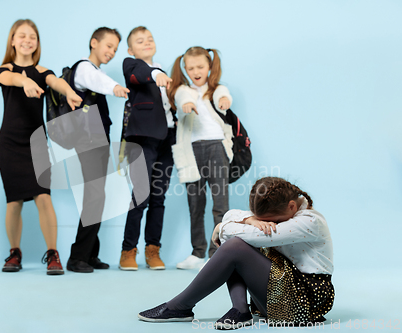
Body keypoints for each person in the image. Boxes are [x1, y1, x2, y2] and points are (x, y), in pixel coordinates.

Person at [138, 177, 334, 329]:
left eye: (273, 221)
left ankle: (179, 306)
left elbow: (258, 236)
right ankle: (240, 310)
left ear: (291, 206)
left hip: (303, 302)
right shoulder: (287, 210)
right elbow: (232, 214)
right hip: (283, 290)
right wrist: (248, 220)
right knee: (237, 241)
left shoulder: (309, 222)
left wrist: (221, 228)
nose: (270, 225)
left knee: (235, 245)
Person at [0, 19, 82, 275]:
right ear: (12, 41)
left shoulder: (42, 72)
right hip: (9, 143)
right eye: (22, 35)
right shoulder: (4, 69)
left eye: (32, 36)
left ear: (37, 43)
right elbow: (8, 78)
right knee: (14, 202)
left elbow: (56, 82)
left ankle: (53, 253)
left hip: (36, 144)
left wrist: (69, 92)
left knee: (43, 197)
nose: (27, 40)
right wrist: (24, 82)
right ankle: (14, 253)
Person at [65, 27, 130, 273]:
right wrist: (115, 88)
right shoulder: (84, 68)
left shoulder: (95, 71)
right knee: (95, 195)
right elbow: (97, 81)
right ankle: (77, 257)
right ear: (94, 42)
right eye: (108, 45)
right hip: (88, 141)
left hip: (97, 140)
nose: (111, 52)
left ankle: (90, 253)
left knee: (96, 196)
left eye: (115, 48)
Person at [168, 47, 234, 270]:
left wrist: (224, 99)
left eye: (200, 67)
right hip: (192, 151)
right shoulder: (182, 90)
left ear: (209, 67)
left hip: (216, 147)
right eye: (191, 68)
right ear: (185, 69)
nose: (196, 71)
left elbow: (222, 95)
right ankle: (197, 253)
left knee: (220, 205)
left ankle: (218, 254)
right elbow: (182, 97)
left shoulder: (216, 89)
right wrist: (187, 103)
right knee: (195, 204)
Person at [118, 26, 176, 271]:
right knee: (140, 195)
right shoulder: (133, 66)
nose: (147, 42)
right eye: (140, 41)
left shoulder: (164, 71)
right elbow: (140, 74)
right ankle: (128, 251)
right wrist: (155, 74)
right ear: (131, 49)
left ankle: (153, 251)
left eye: (150, 39)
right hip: (143, 138)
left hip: (168, 139)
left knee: (158, 198)